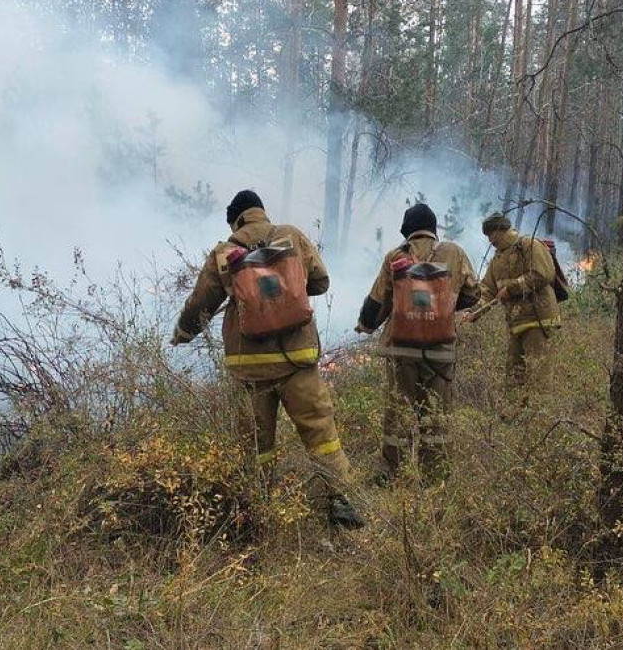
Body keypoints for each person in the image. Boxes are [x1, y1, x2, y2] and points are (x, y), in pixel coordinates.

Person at [171, 190, 364, 529]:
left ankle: (258, 510)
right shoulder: (291, 235)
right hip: (298, 360)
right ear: (261, 213)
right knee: (321, 433)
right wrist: (290, 292)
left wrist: (183, 332)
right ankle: (341, 501)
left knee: (256, 444)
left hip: (250, 368)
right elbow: (320, 281)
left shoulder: (224, 252)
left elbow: (201, 302)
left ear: (235, 220)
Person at [355, 204, 478, 484]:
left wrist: (365, 324)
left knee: (398, 411)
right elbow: (474, 292)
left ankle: (390, 474)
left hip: (402, 350)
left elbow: (378, 300)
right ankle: (435, 478)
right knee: (436, 414)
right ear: (433, 229)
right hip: (440, 349)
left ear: (407, 231)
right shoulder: (454, 254)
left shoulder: (396, 257)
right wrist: (446, 306)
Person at [464, 213, 559, 388]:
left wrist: (511, 288)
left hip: (538, 321)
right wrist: (473, 312)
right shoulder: (497, 260)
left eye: (491, 235)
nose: (490, 241)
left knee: (538, 379)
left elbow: (542, 274)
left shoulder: (529, 245)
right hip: (516, 326)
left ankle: (539, 416)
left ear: (501, 230)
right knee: (514, 380)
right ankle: (514, 414)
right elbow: (487, 290)